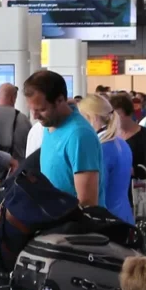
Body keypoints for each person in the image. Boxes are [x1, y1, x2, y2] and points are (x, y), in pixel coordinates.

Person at [25, 70, 103, 205]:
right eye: (32, 110)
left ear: (60, 100)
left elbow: (87, 203)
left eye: (42, 109)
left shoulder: (79, 135)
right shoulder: (50, 124)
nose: (35, 117)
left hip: (74, 224)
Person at [78, 95, 134, 224]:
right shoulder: (121, 143)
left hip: (108, 220)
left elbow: (95, 192)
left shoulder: (100, 148)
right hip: (123, 215)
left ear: (93, 117)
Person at [112, 93, 146, 181]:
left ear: (128, 113)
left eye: (117, 114)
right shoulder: (110, 136)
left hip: (135, 188)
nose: (113, 119)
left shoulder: (145, 136)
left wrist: (132, 170)